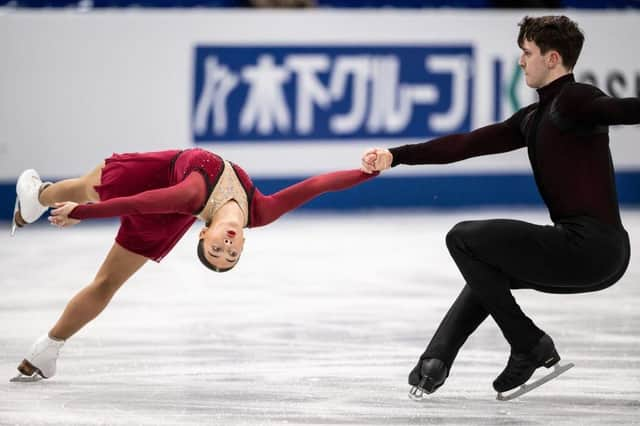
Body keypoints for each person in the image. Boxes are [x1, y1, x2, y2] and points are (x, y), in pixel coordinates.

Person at [361, 15, 640, 399]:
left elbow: (624, 110)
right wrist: (396, 156)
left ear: (553, 58)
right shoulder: (533, 117)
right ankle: (436, 360)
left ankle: (527, 342)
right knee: (487, 265)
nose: (521, 62)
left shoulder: (577, 99)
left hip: (592, 248)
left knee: (462, 238)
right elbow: (466, 144)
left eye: (527, 53)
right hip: (593, 252)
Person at [10, 147, 377, 382]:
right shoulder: (261, 212)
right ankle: (36, 200)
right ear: (244, 241)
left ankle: (48, 345)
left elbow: (142, 202)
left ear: (204, 235)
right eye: (232, 254)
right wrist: (366, 173)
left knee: (96, 198)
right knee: (95, 184)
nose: (227, 248)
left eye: (218, 251)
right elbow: (316, 185)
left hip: (161, 187)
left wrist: (85, 214)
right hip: (164, 199)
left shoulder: (194, 194)